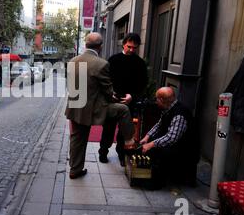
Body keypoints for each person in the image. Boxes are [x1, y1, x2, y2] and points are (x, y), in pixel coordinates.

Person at [65, 32, 136, 179]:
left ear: (85, 44)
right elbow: (108, 91)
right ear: (100, 46)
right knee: (123, 109)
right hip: (93, 109)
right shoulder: (102, 64)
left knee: (77, 139)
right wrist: (116, 97)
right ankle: (129, 140)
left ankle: (74, 170)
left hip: (75, 107)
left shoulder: (72, 61)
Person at [99, 33, 148, 166]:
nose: (131, 50)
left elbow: (143, 84)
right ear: (124, 44)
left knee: (124, 130)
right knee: (108, 127)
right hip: (113, 100)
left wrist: (132, 95)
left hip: (129, 101)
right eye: (129, 47)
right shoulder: (113, 59)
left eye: (134, 48)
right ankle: (103, 151)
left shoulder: (140, 63)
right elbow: (105, 79)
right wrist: (110, 93)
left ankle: (121, 153)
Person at [139, 87, 199, 190]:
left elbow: (171, 138)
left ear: (162, 100)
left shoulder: (179, 114)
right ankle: (150, 173)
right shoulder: (168, 108)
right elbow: (159, 125)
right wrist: (147, 136)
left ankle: (157, 181)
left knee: (156, 147)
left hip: (185, 151)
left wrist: (151, 144)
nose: (156, 101)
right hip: (177, 144)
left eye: (156, 99)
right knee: (151, 141)